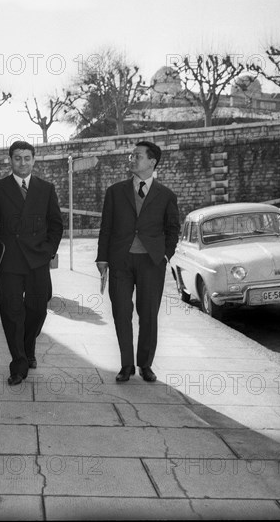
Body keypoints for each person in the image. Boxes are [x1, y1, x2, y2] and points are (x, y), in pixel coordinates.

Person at [96, 141, 180, 383]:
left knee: (148, 314)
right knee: (121, 312)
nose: (131, 159)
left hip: (151, 262)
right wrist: (102, 257)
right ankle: (126, 365)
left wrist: (165, 254)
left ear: (152, 162)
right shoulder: (115, 191)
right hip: (120, 261)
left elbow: (172, 229)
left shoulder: (166, 196)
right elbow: (106, 228)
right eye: (131, 155)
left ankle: (145, 364)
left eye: (137, 156)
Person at [0, 140, 63, 386]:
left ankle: (28, 347)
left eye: (27, 158)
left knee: (38, 308)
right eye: (18, 158)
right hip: (10, 261)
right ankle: (18, 364)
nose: (23, 162)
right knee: (12, 312)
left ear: (34, 160)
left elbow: (56, 224)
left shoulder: (46, 188)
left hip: (38, 259)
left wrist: (48, 251)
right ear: (10, 160)